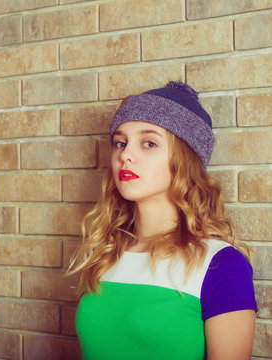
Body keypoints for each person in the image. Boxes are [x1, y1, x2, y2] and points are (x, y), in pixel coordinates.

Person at [68, 81, 257, 360]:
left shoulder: (221, 265)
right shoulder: (106, 254)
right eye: (120, 142)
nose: (125, 155)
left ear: (184, 161)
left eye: (149, 143)